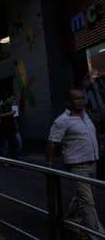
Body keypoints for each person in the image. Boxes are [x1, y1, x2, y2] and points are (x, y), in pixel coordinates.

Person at [46, 89, 104, 237]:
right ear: (68, 102)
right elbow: (52, 142)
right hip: (78, 165)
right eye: (76, 99)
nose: (81, 101)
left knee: (82, 196)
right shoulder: (62, 120)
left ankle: (71, 219)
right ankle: (97, 234)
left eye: (82, 98)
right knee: (88, 201)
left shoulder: (86, 115)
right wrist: (50, 165)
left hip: (93, 162)